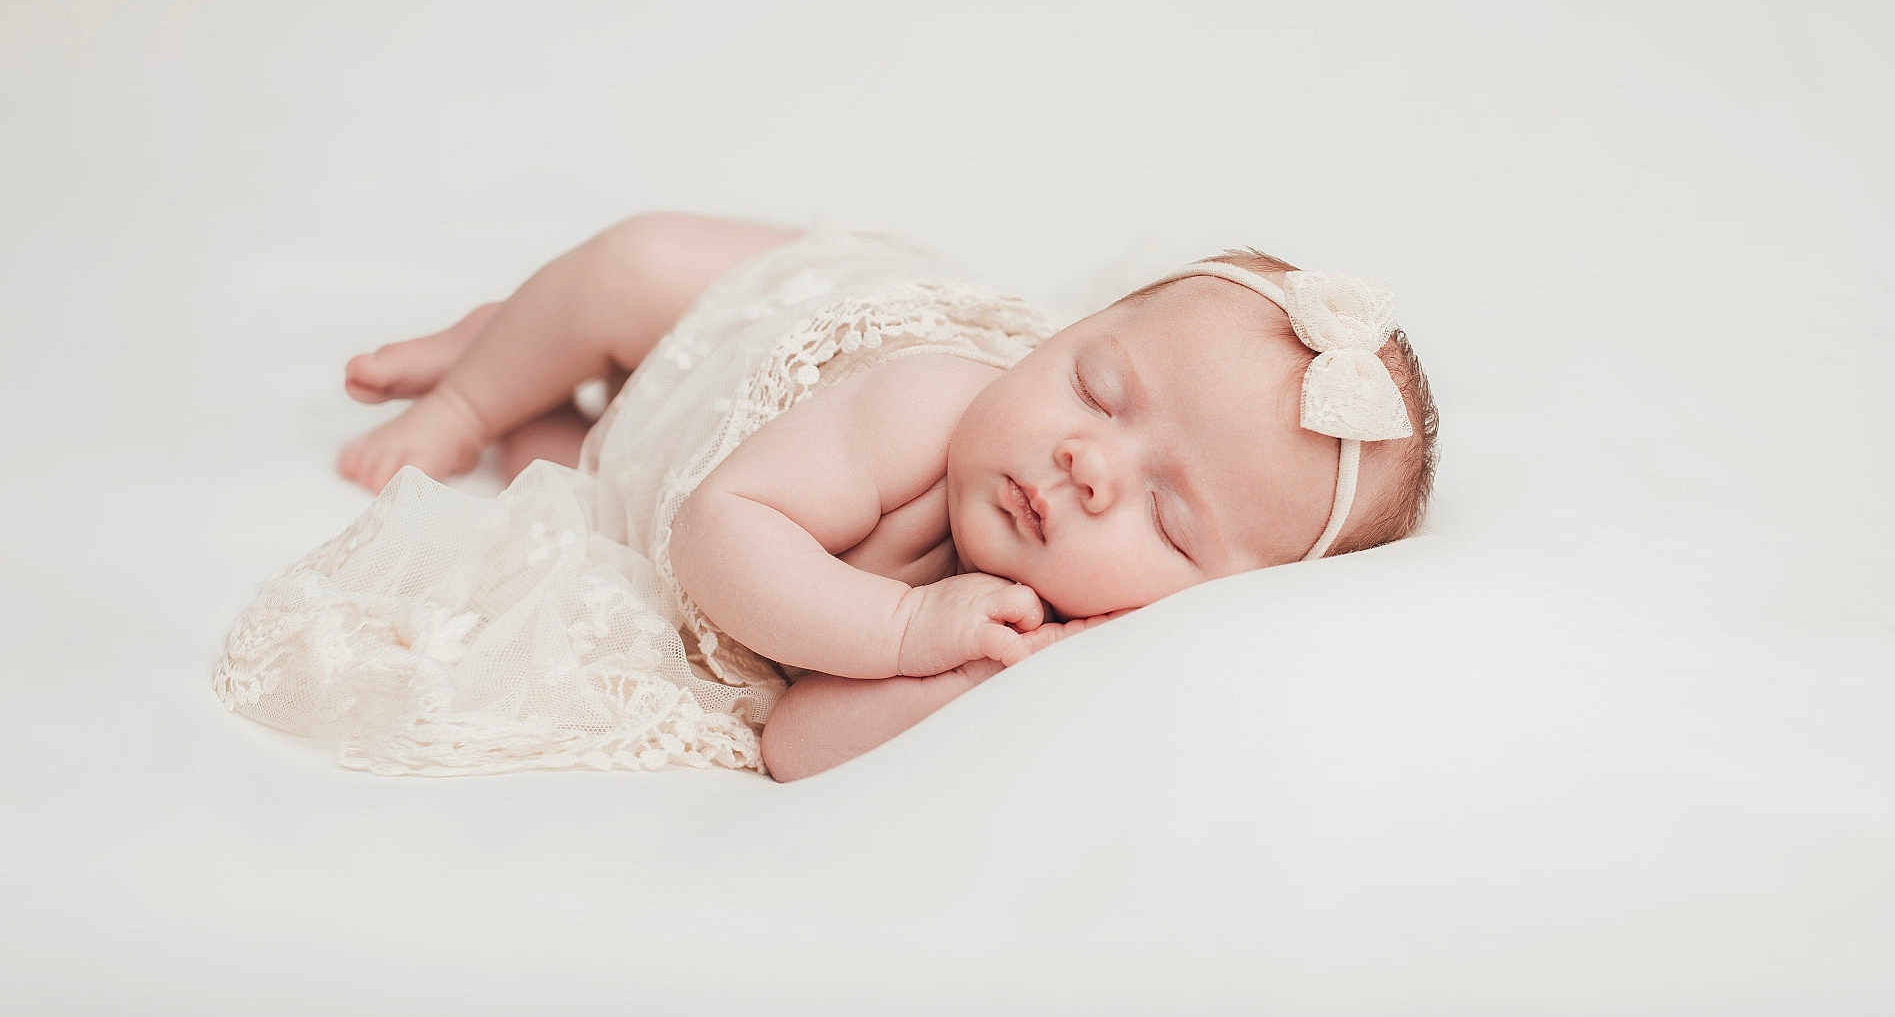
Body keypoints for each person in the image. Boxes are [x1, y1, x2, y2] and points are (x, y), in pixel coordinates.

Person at [214, 211, 1439, 781]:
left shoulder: (1046, 628)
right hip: (754, 339)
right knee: (627, 270)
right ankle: (478, 379)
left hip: (671, 449)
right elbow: (715, 535)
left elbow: (793, 743)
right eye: (1096, 385)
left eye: (1166, 519)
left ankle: (552, 395)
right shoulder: (928, 404)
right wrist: (905, 627)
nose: (1085, 462)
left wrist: (963, 671)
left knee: (580, 468)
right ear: (1059, 334)